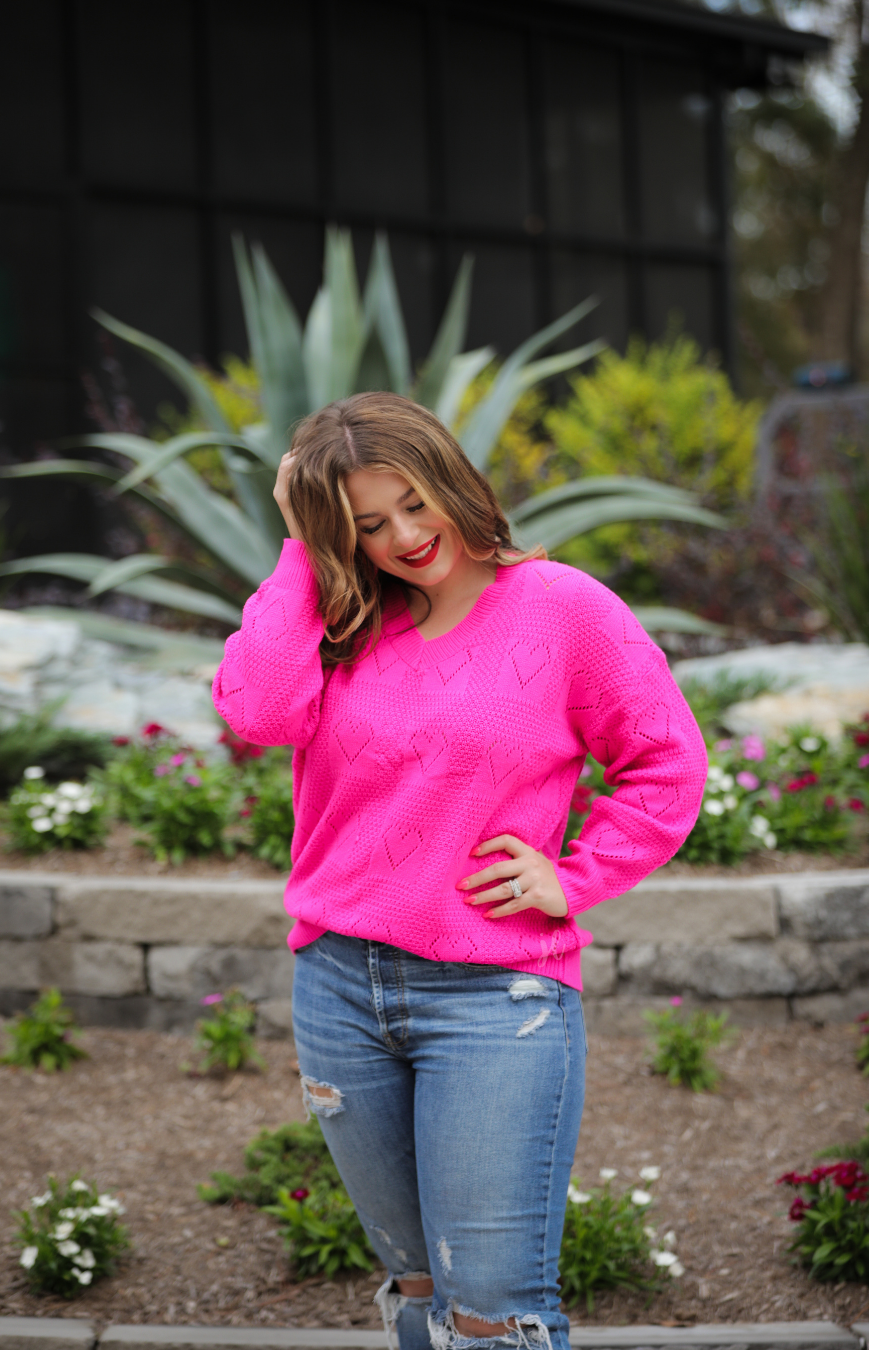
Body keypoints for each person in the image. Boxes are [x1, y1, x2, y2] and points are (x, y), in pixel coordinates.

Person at [212, 391, 707, 1350]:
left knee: (490, 1312)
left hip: (495, 997)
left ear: (450, 479)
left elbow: (667, 761)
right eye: (365, 524)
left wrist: (576, 874)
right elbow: (260, 713)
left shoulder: (563, 608)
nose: (401, 536)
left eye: (412, 502)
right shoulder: (346, 617)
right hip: (338, 990)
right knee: (415, 1286)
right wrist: (299, 547)